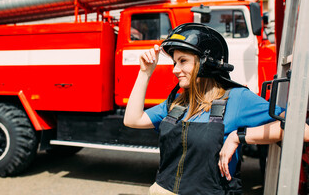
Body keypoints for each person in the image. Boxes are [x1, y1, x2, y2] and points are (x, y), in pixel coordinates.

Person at [123, 23, 309, 195]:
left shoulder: (236, 98)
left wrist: (240, 136)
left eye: (183, 61)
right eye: (175, 62)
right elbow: (132, 120)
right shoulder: (178, 103)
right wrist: (145, 72)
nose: (175, 69)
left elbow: (302, 127)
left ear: (206, 62)